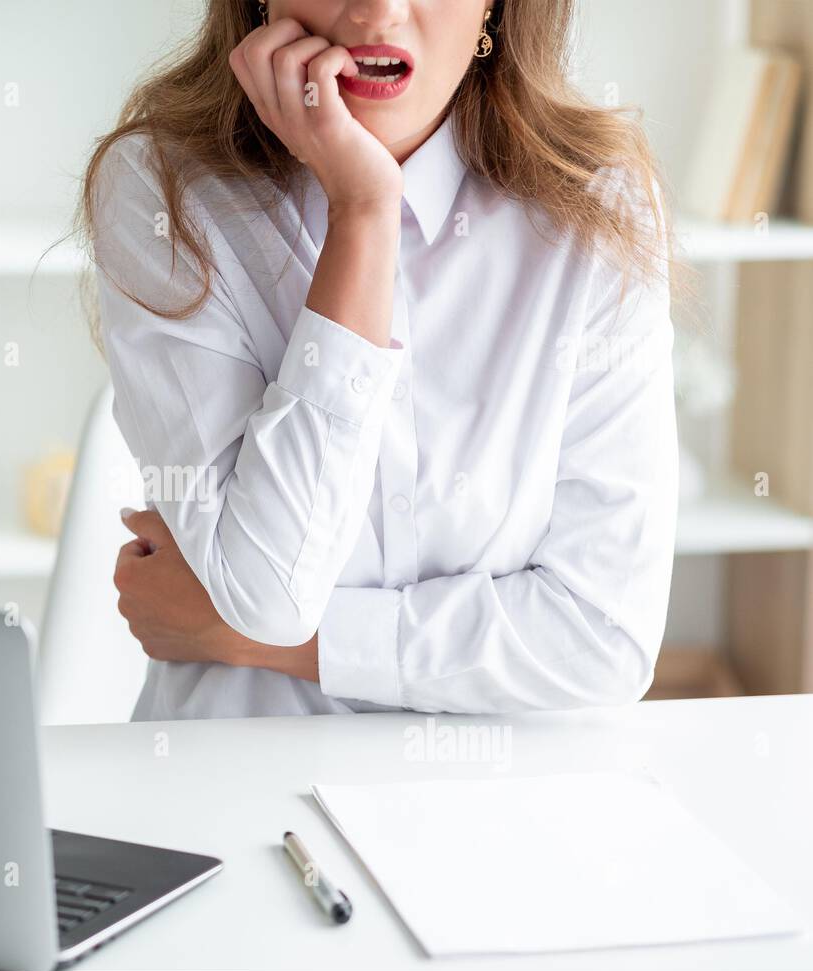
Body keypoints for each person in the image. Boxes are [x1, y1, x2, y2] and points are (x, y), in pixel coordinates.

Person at [78, 0, 677, 720]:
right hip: (234, 794)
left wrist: (250, 641)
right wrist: (363, 212)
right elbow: (270, 595)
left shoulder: (598, 204)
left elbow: (601, 639)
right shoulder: (165, 190)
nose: (378, 10)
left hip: (496, 805)